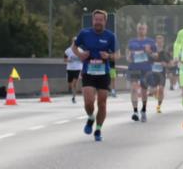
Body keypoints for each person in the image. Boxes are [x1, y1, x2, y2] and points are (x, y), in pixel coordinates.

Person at [73, 10, 117, 142]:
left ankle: (98, 129)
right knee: (88, 102)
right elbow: (74, 47)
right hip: (88, 71)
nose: (98, 22)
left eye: (100, 20)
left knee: (102, 104)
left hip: (104, 73)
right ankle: (91, 117)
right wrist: (80, 55)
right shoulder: (84, 33)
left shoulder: (110, 36)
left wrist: (109, 56)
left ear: (105, 21)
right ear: (93, 20)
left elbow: (118, 55)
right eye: (96, 20)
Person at [126, 22, 157, 122]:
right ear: (137, 29)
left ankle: (143, 110)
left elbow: (156, 56)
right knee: (134, 89)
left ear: (146, 30)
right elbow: (128, 56)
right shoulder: (131, 41)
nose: (141, 31)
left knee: (144, 91)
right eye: (140, 29)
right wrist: (129, 57)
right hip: (134, 68)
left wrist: (149, 52)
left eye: (143, 29)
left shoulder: (151, 42)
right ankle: (135, 112)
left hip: (146, 69)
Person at [149, 34, 172, 114]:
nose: (159, 43)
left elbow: (170, 64)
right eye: (157, 41)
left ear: (163, 42)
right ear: (155, 42)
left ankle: (158, 107)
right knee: (154, 90)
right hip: (153, 74)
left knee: (161, 90)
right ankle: (155, 93)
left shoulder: (165, 53)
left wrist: (166, 65)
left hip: (162, 74)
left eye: (160, 41)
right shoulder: (152, 52)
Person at [64, 36, 82, 103]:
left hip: (77, 68)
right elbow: (64, 60)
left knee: (74, 83)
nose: (75, 42)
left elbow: (83, 59)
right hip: (69, 68)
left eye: (76, 41)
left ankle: (74, 97)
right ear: (72, 41)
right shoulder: (67, 50)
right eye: (74, 41)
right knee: (70, 84)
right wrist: (69, 60)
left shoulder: (80, 50)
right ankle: (72, 92)